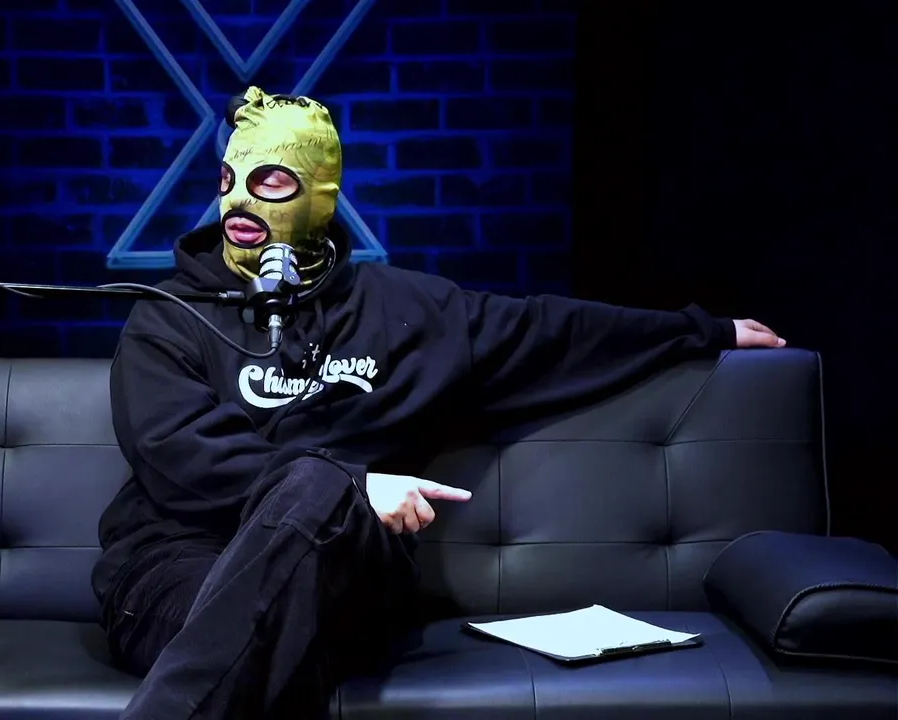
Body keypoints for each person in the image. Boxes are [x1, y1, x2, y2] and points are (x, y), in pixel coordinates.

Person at [91, 86, 786, 719]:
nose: (240, 201)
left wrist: (705, 331)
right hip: (175, 569)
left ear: (321, 193)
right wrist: (351, 486)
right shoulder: (168, 315)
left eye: (271, 181)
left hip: (346, 572)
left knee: (302, 551)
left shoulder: (403, 312)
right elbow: (175, 451)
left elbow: (549, 331)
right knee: (283, 607)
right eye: (228, 179)